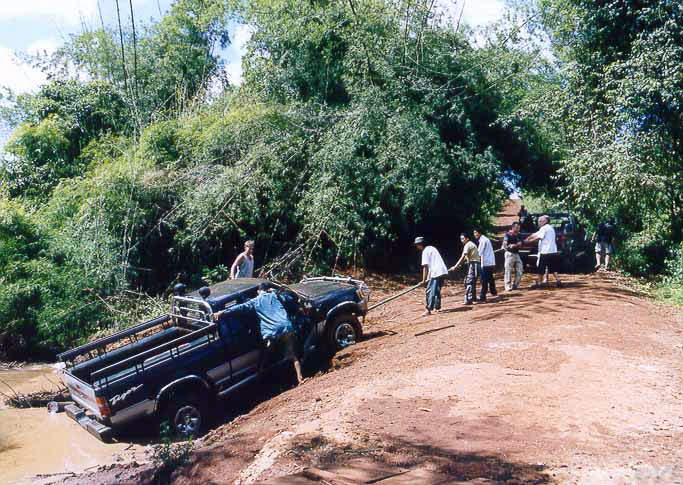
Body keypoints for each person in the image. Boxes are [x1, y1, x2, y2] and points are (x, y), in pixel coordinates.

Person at [213, 283, 304, 384]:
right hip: (287, 327)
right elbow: (290, 298)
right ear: (268, 290)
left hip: (272, 331)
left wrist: (222, 312)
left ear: (258, 291)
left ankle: (261, 374)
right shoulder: (275, 295)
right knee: (293, 354)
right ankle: (300, 378)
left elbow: (239, 308)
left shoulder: (255, 301)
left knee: (267, 354)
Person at [414, 237, 449, 316]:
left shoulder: (425, 251)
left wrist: (423, 281)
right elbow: (431, 267)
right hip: (442, 271)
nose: (417, 247)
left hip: (437, 272)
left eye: (417, 245)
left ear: (420, 245)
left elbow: (425, 267)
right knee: (436, 290)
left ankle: (428, 309)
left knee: (429, 291)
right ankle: (437, 307)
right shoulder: (432, 248)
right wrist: (427, 279)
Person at [524, 215, 561, 288]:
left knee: (541, 268)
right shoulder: (549, 228)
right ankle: (558, 280)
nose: (538, 222)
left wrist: (526, 242)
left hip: (545, 252)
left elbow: (538, 237)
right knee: (553, 268)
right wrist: (528, 238)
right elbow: (535, 234)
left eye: (540, 221)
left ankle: (540, 283)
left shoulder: (544, 228)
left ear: (545, 221)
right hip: (552, 251)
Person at [449, 233, 480, 305]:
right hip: (473, 264)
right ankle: (473, 297)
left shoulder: (468, 245)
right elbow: (466, 258)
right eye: (461, 239)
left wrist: (455, 266)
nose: (462, 240)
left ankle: (469, 299)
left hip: (473, 264)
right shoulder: (470, 244)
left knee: (469, 281)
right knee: (471, 281)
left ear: (467, 238)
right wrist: (460, 265)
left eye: (463, 239)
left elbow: (463, 257)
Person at [474, 229, 497, 301]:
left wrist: (473, 259)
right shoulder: (485, 239)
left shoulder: (483, 240)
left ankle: (482, 296)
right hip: (491, 262)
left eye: (476, 232)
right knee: (490, 277)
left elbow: (479, 253)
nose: (475, 234)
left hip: (486, 263)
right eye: (474, 233)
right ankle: (493, 291)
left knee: (484, 280)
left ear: (479, 233)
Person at [503, 222, 524, 291]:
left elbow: (521, 243)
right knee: (508, 270)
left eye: (519, 227)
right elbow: (505, 244)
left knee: (520, 270)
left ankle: (515, 285)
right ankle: (507, 286)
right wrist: (507, 245)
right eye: (516, 227)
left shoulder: (519, 235)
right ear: (513, 227)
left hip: (517, 254)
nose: (518, 229)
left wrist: (515, 245)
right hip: (509, 254)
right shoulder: (508, 234)